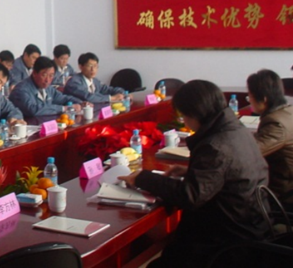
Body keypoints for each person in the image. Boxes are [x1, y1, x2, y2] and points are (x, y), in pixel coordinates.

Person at [119, 80, 269, 268]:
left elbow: (190, 196)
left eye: (184, 116)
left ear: (195, 114)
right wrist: (192, 171)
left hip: (228, 242)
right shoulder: (236, 130)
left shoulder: (215, 146)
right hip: (249, 226)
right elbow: (228, 173)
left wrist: (143, 177)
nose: (185, 121)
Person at [247, 69, 293, 209]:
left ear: (264, 99)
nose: (249, 101)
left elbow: (249, 155)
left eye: (250, 97)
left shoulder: (275, 123)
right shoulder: (288, 111)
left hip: (282, 192)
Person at [9, 56, 82, 118]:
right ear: (34, 73)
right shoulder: (21, 90)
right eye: (44, 75)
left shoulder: (48, 88)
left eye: (51, 76)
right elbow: (33, 110)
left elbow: (63, 98)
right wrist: (63, 108)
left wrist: (81, 103)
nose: (47, 80)